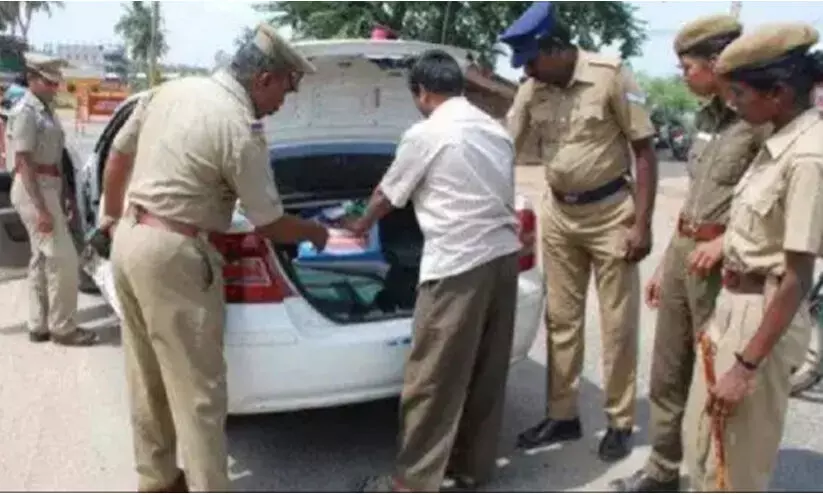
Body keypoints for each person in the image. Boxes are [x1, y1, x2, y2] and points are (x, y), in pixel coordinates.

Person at [100, 23, 329, 492]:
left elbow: (117, 158)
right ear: (263, 78)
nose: (283, 103)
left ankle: (159, 480)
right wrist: (316, 231)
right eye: (285, 90)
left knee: (147, 378)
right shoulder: (239, 127)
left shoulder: (170, 91)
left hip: (130, 240)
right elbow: (269, 224)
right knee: (199, 393)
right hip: (175, 256)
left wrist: (110, 216)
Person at [611, 14, 768, 492]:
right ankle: (662, 469)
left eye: (688, 67)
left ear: (717, 63)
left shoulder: (757, 121)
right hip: (685, 251)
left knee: (712, 376)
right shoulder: (704, 119)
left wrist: (724, 241)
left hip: (724, 261)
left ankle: (708, 478)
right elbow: (699, 193)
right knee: (667, 370)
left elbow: (769, 198)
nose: (684, 76)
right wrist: (667, 261)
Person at [354, 49, 522, 492]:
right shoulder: (495, 131)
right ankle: (471, 471)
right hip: (504, 261)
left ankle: (411, 483)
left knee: (431, 379)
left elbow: (387, 195)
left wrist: (359, 225)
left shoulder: (427, 133)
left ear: (423, 92)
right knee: (486, 373)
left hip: (458, 266)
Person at [501, 1, 658, 461]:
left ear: (555, 47)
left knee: (616, 324)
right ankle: (563, 415)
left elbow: (644, 152)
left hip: (612, 214)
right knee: (561, 321)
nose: (527, 70)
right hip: (560, 216)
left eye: (532, 59)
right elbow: (504, 146)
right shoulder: (534, 87)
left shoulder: (611, 75)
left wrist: (643, 224)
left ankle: (620, 420)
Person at [681, 22, 823, 491]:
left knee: (736, 469)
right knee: (705, 448)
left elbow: (797, 275)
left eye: (739, 93)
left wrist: (746, 367)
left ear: (778, 92)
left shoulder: (807, 157)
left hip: (763, 315)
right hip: (734, 303)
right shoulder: (775, 143)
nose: (733, 104)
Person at [8, 55, 97, 346]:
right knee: (64, 259)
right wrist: (42, 209)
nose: (55, 86)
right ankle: (63, 327)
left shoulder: (46, 110)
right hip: (34, 190)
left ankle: (39, 325)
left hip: (49, 187)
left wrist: (65, 196)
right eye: (49, 81)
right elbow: (23, 163)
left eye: (57, 81)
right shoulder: (27, 112)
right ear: (33, 78)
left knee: (41, 259)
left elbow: (57, 161)